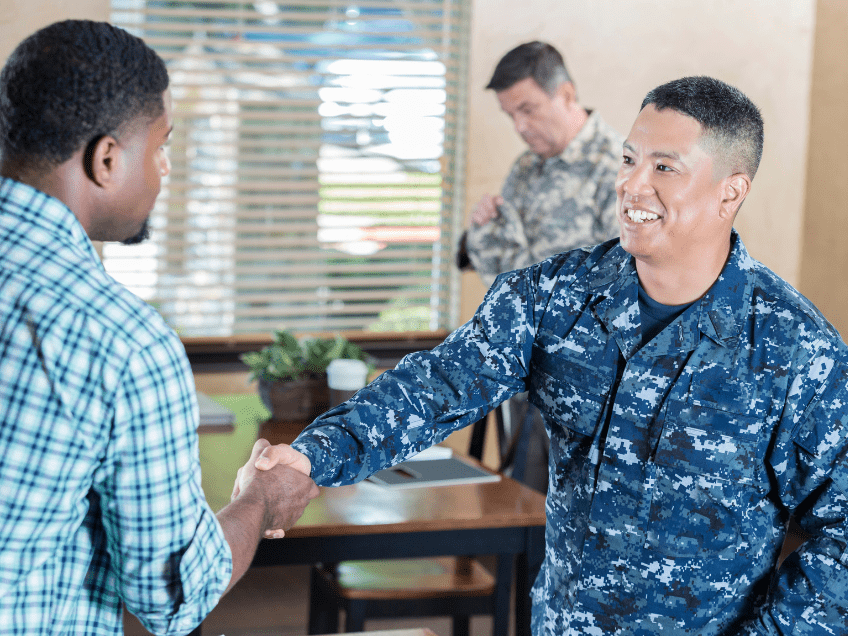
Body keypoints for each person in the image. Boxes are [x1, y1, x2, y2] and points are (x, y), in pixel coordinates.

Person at [258, 75, 848, 634]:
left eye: (664, 167)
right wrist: (310, 459)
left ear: (730, 192)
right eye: (628, 159)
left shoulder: (798, 351)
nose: (632, 184)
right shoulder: (552, 297)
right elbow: (435, 386)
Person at [0, 20, 319, 635]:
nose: (166, 170)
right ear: (107, 158)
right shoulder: (120, 341)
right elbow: (173, 595)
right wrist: (257, 501)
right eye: (161, 146)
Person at [457, 41, 623, 492]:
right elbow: (506, 280)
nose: (520, 126)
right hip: (529, 371)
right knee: (524, 507)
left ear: (566, 94)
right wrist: (484, 232)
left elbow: (630, 286)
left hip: (592, 382)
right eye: (511, 115)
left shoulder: (619, 169)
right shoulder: (526, 169)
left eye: (527, 110)